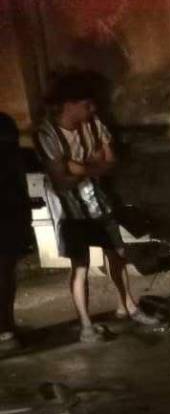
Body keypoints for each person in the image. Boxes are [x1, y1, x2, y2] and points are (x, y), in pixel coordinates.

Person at [35, 73, 158, 342]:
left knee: (118, 254)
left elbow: (109, 162)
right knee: (81, 265)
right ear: (69, 104)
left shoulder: (93, 124)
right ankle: (86, 326)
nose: (93, 110)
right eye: (87, 105)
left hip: (97, 200)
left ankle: (128, 307)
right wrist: (93, 165)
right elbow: (61, 180)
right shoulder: (47, 133)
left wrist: (80, 167)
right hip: (69, 209)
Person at [0, 113, 36, 355]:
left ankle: (7, 327)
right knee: (4, 278)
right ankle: (5, 331)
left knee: (6, 277)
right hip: (7, 219)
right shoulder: (9, 151)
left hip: (10, 218)